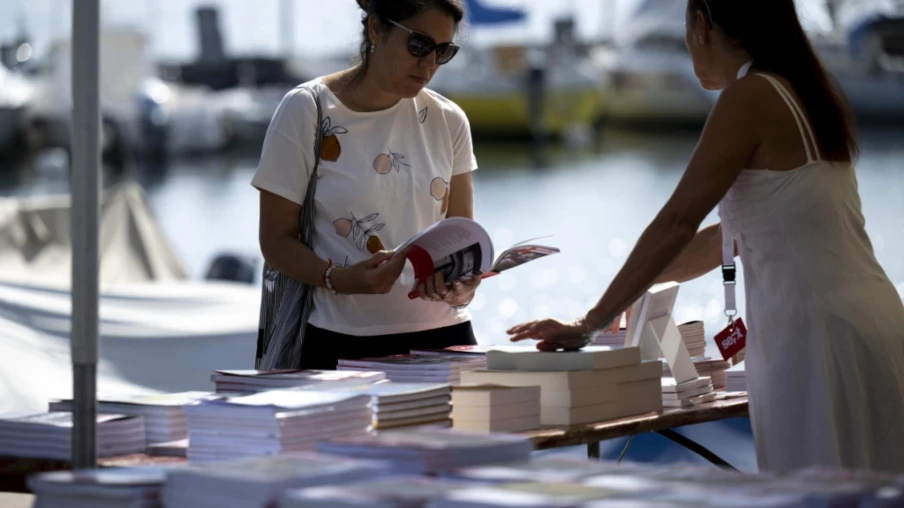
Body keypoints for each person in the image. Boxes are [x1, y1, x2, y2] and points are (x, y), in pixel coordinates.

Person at [508, 0, 904, 473]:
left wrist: (590, 321)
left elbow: (677, 221)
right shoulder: (801, 91)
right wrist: (626, 297)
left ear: (702, 24)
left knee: (818, 491)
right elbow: (733, 234)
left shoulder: (752, 95)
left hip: (818, 338)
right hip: (866, 324)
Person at [252, 0, 481, 370]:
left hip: (445, 341)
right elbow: (275, 241)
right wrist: (339, 278)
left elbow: (463, 240)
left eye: (443, 52)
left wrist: (462, 282)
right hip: (340, 343)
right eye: (419, 45)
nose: (429, 64)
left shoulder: (449, 120)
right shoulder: (307, 110)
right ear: (376, 28)